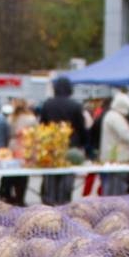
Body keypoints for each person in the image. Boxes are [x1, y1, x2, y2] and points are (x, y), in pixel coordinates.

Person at [38, 76, 87, 204]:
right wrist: (83, 144)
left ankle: (49, 201)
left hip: (50, 146)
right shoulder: (75, 106)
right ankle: (63, 202)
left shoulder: (48, 104)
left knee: (50, 178)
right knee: (67, 178)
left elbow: (42, 125)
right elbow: (81, 128)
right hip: (71, 146)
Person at [100, 91, 129, 195]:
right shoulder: (115, 117)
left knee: (114, 187)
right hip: (117, 159)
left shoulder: (112, 115)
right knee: (116, 189)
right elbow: (125, 134)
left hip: (115, 158)